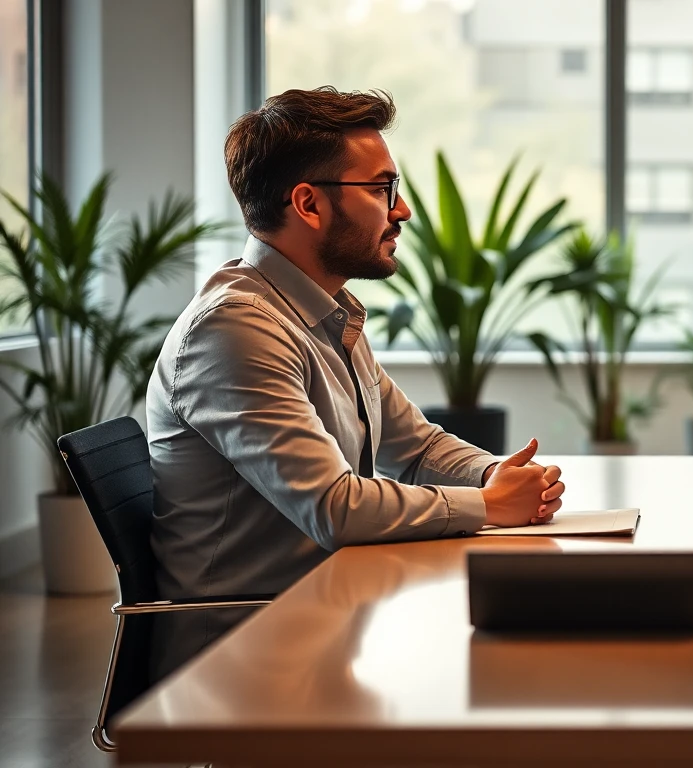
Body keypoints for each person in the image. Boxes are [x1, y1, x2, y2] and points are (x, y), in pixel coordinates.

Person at [145, 87, 564, 679]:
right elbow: (334, 508)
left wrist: (493, 474)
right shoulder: (234, 329)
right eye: (381, 189)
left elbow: (414, 446)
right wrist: (489, 507)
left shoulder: (325, 311)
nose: (403, 211)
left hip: (324, 615)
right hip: (244, 653)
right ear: (309, 204)